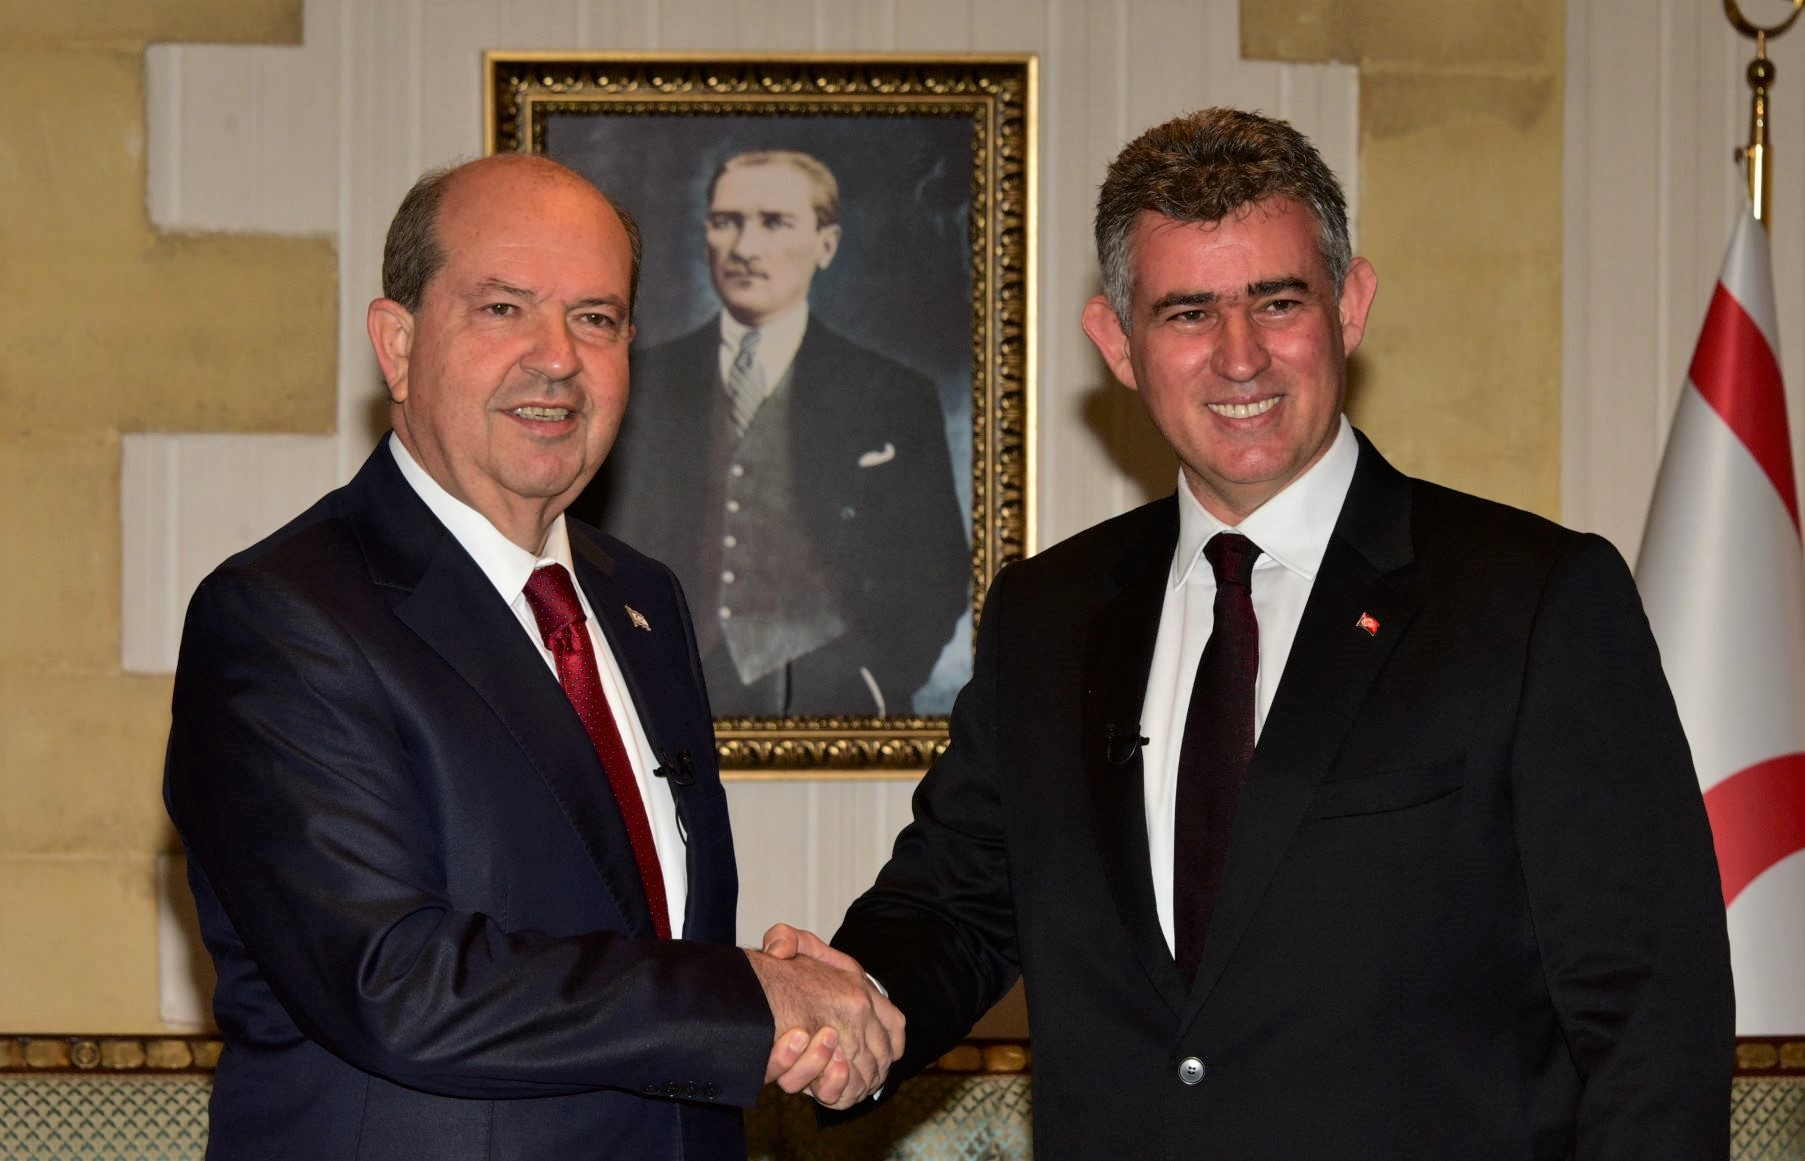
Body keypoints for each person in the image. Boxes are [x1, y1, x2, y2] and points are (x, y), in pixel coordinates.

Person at [772, 108, 1735, 1157]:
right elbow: (959, 903)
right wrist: (850, 1006)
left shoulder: (1532, 600)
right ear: (1117, 342)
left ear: (1348, 306)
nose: (1240, 358)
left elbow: (1650, 1015)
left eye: (1277, 302)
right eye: (1187, 313)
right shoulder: (1047, 616)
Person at [162, 153, 901, 1161]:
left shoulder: (641, 601)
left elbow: (650, 947)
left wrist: (798, 1013)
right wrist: (747, 996)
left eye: (595, 318)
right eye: (503, 308)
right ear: (397, 344)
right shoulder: (283, 616)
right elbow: (393, 982)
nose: (556, 358)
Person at [573, 148, 969, 718]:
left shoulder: (892, 392)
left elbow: (938, 571)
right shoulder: (639, 382)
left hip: (841, 695)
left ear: (826, 244)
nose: (744, 247)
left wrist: (876, 678)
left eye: (774, 222)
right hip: (658, 695)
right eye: (726, 222)